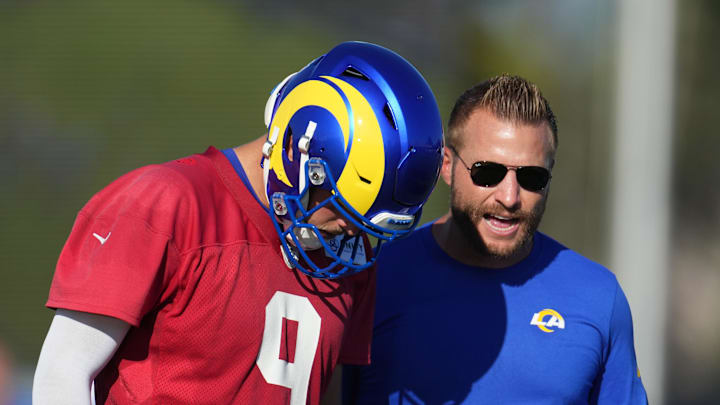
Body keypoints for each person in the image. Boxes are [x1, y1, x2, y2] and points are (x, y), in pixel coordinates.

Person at [32, 41, 444, 405]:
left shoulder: (350, 253)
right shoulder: (169, 202)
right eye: (342, 210)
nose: (351, 235)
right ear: (301, 150)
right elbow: (63, 373)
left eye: (369, 227)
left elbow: (326, 390)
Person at [342, 74, 648, 404]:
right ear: (446, 166)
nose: (510, 196)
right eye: (487, 173)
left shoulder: (599, 299)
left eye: (532, 177)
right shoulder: (372, 278)